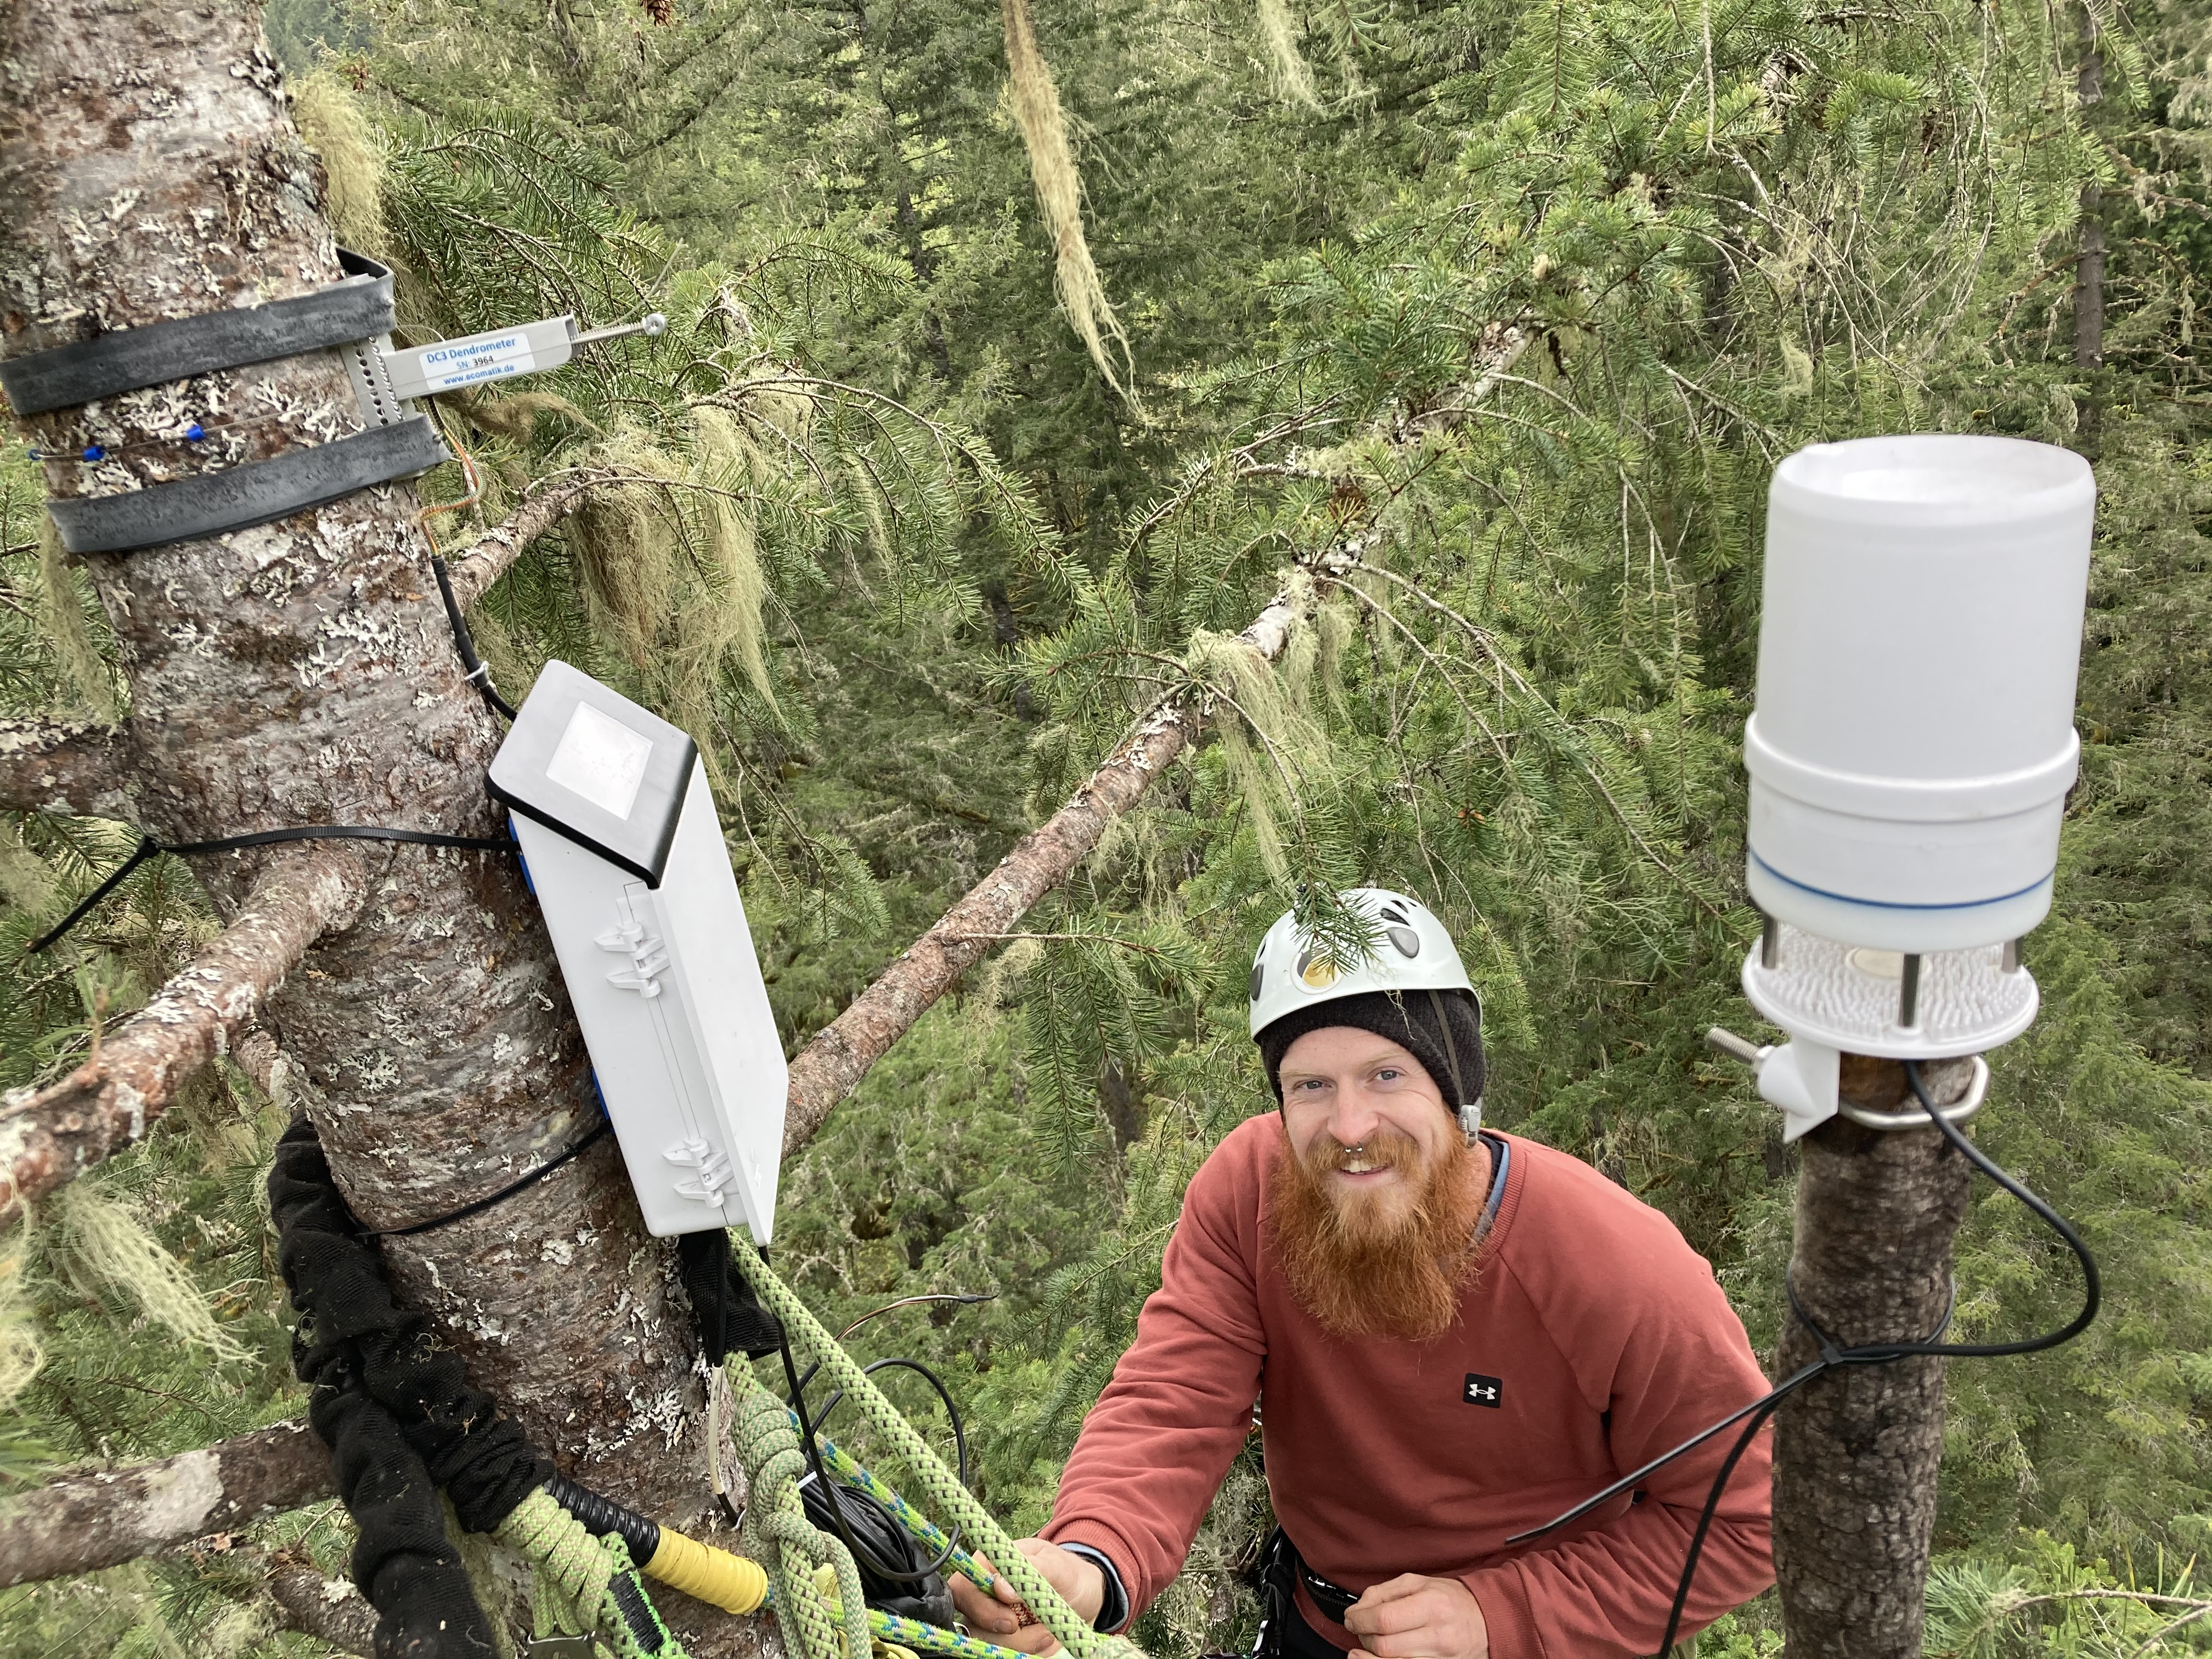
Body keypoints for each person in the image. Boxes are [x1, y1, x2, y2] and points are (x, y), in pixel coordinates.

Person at [951, 889, 1775, 1659]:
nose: (1350, 1127)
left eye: (1387, 1075)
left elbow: (1754, 1519)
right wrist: (1091, 1560)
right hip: (1316, 1623)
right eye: (1311, 1086)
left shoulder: (1613, 1265)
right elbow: (1176, 1397)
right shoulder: (1252, 1193)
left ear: (1456, 1090)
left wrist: (1499, 1617)